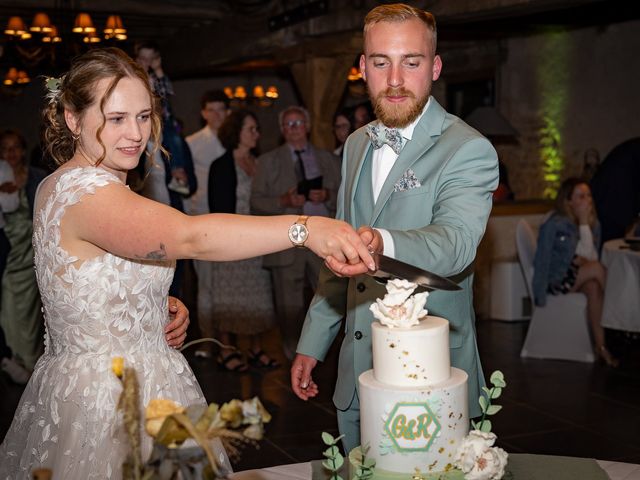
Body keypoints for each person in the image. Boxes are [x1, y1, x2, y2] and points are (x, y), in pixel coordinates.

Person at [0, 48, 374, 478]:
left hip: (109, 376)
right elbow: (189, 236)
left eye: (143, 116)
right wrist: (305, 229)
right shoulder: (86, 194)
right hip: (110, 401)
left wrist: (151, 306)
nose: (135, 133)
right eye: (116, 118)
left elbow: (94, 279)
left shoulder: (60, 183)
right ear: (72, 118)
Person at [290, 3, 499, 452]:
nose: (396, 79)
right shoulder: (355, 144)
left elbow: (456, 243)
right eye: (382, 62)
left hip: (431, 378)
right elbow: (339, 253)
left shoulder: (468, 149)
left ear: (436, 66)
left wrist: (380, 241)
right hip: (357, 371)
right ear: (363, 68)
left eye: (412, 62)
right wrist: (314, 341)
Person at [251, 105, 341, 360]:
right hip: (286, 240)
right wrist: (284, 200)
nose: (294, 129)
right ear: (281, 130)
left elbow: (346, 197)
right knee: (288, 305)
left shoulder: (328, 159)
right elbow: (255, 202)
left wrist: (327, 196)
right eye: (289, 125)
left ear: (308, 126)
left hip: (323, 239)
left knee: (331, 297)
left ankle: (329, 351)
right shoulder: (268, 161)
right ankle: (293, 353)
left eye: (299, 123)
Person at [208, 110, 278, 371]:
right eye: (251, 129)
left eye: (256, 129)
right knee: (229, 297)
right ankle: (226, 351)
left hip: (258, 240)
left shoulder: (259, 162)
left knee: (258, 297)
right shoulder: (221, 165)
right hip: (230, 240)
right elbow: (217, 208)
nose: (256, 134)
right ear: (236, 132)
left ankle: (257, 349)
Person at [532, 177, 618, 367]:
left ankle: (601, 347)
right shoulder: (554, 223)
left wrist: (585, 223)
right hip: (556, 281)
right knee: (596, 269)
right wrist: (538, 295)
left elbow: (591, 256)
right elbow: (542, 258)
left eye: (588, 195)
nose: (586, 200)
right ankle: (617, 316)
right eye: (580, 196)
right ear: (568, 201)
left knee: (595, 287)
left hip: (578, 277)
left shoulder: (595, 224)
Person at [185, 90, 229, 359]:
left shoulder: (232, 140)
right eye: (211, 110)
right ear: (203, 113)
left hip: (231, 220)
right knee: (206, 285)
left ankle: (229, 336)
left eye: (221, 110)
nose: (216, 115)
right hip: (202, 218)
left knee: (228, 285)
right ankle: (207, 340)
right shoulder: (192, 143)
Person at [0, 130, 47, 371]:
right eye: (6, 148)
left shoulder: (37, 177)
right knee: (7, 306)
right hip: (9, 251)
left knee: (30, 310)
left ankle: (30, 361)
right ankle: (13, 359)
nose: (11, 153)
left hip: (31, 251)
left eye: (15, 147)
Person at [0, 156, 31, 384]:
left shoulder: (34, 174)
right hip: (12, 239)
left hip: (20, 244)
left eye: (15, 149)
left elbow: (10, 203)